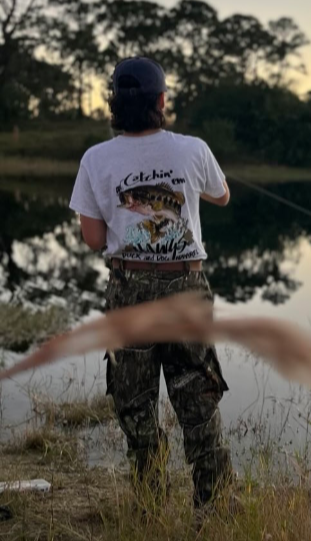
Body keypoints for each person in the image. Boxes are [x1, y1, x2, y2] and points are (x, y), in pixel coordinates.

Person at [69, 56, 235, 519]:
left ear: (114, 106)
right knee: (196, 399)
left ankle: (150, 504)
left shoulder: (95, 158)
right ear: (161, 101)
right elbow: (222, 195)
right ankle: (213, 508)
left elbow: (94, 238)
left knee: (136, 405)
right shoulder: (194, 147)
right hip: (187, 283)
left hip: (128, 290)